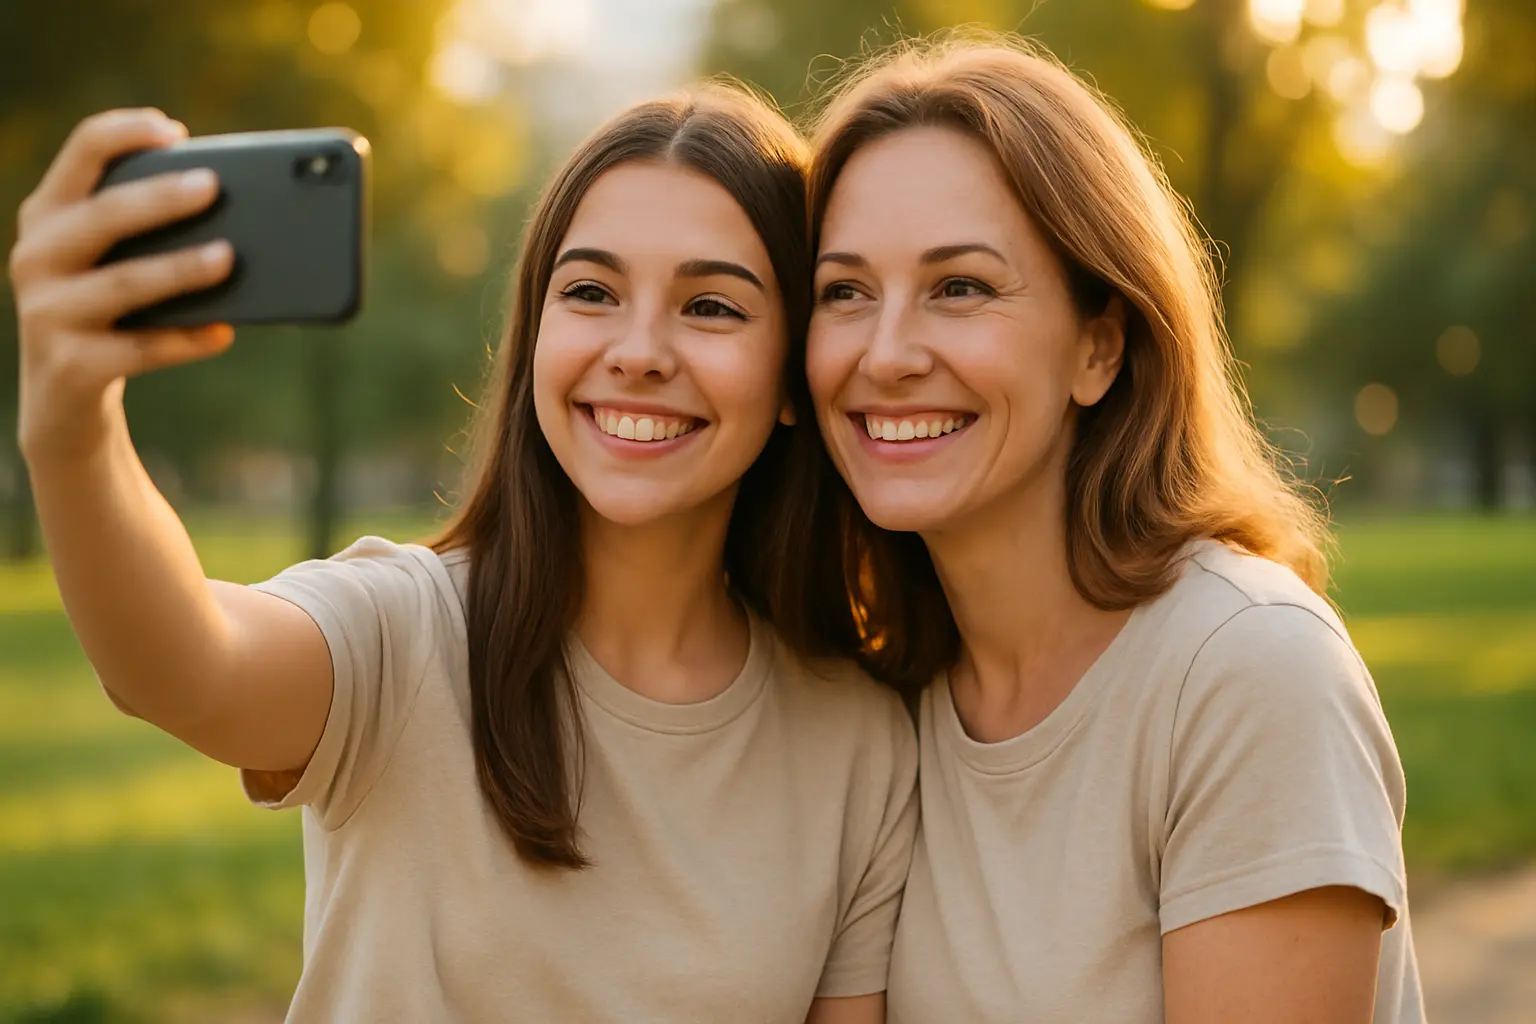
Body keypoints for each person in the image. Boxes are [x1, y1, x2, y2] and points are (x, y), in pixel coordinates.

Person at [11, 92, 915, 1023]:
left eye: (711, 305)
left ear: (795, 378)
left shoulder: (858, 743)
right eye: (591, 292)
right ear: (534, 338)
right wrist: (74, 431)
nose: (638, 352)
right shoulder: (404, 636)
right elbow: (181, 664)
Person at [803, 35, 1423, 1023]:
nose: (886, 353)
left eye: (959, 286)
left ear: (1099, 345)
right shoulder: (878, 699)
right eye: (844, 292)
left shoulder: (1248, 670)